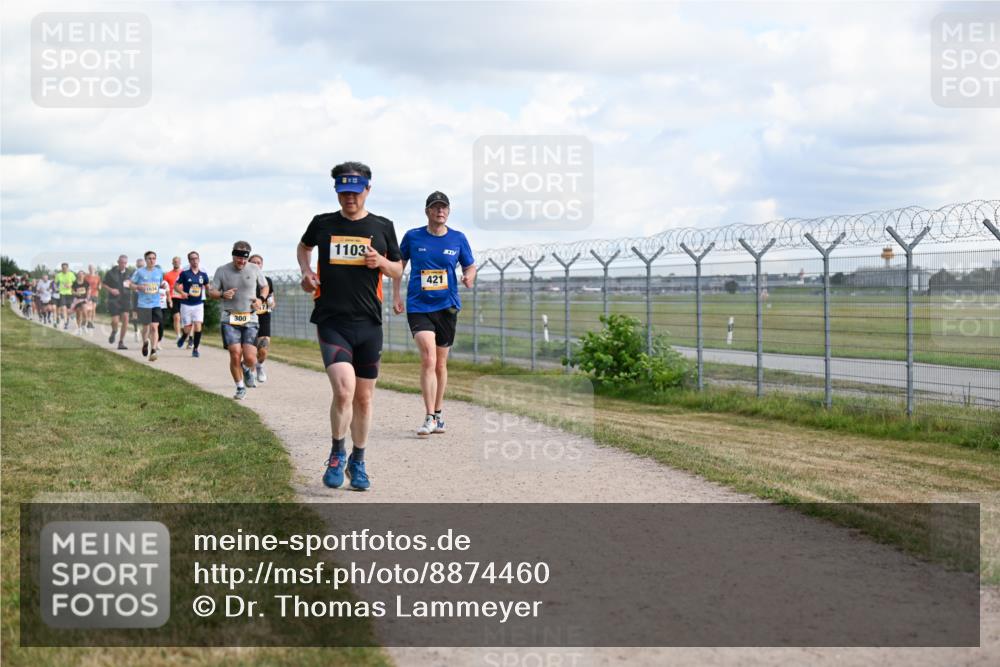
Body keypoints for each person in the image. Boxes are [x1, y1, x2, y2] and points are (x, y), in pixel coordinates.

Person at [297, 161, 402, 491]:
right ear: (337, 192)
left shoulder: (383, 226)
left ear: (368, 190)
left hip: (369, 323)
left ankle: (358, 460)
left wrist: (381, 263)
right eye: (343, 192)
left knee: (364, 399)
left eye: (355, 192)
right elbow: (304, 247)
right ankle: (336, 453)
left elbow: (398, 270)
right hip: (332, 320)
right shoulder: (323, 223)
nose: (349, 198)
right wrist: (307, 272)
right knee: (344, 390)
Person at [393, 191, 476, 436]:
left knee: (440, 363)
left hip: (447, 306)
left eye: (444, 207)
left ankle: (439, 414)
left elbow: (470, 264)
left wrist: (470, 275)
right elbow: (399, 266)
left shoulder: (458, 239)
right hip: (419, 305)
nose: (440, 211)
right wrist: (396, 295)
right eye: (435, 207)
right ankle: (429, 416)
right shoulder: (413, 236)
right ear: (427, 211)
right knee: (428, 358)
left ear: (448, 212)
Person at [209, 241, 268, 399]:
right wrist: (222, 294)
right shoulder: (222, 270)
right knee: (235, 353)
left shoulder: (254, 269)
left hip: (250, 318)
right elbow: (212, 291)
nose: (241, 262)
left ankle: (247, 368)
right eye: (238, 259)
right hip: (230, 318)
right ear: (233, 255)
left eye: (244, 259)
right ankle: (240, 387)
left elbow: (265, 286)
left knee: (250, 358)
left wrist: (261, 299)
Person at [130, 251, 168, 361]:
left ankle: (154, 350)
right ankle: (145, 342)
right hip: (143, 304)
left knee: (154, 327)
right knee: (146, 327)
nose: (152, 260)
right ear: (145, 260)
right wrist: (138, 287)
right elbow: (131, 284)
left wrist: (163, 286)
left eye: (153, 258)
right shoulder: (139, 272)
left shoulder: (159, 272)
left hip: (156, 304)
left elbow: (160, 284)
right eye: (149, 258)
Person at [174, 250, 209, 358]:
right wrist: (182, 293)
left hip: (198, 304)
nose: (195, 261)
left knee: (198, 326)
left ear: (199, 260)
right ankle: (184, 336)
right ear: (189, 261)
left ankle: (195, 349)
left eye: (196, 258)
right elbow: (175, 286)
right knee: (187, 329)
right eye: (192, 259)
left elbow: (208, 287)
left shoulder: (203, 275)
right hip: (186, 304)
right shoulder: (185, 273)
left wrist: (216, 293)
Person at [248, 254, 275, 382]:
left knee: (263, 350)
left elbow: (272, 299)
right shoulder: (245, 280)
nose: (257, 265)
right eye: (254, 262)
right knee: (251, 351)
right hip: (248, 318)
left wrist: (271, 303)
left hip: (264, 317)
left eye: (259, 262)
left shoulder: (268, 281)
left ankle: (260, 366)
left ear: (262, 265)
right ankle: (251, 371)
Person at [103, 255, 133, 350]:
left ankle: (121, 342)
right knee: (115, 321)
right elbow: (103, 284)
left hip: (126, 299)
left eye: (125, 263)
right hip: (114, 300)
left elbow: (133, 284)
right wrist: (111, 290)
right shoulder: (111, 272)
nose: (123, 264)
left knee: (125, 319)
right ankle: (114, 331)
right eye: (121, 262)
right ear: (118, 262)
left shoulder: (129, 273)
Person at [163, 256, 183, 341]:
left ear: (180, 262)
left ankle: (187, 335)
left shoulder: (184, 273)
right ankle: (178, 335)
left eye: (177, 261)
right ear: (172, 263)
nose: (176, 263)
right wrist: (168, 299)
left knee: (185, 318)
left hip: (183, 297)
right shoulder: (168, 275)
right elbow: (164, 288)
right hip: (173, 297)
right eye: (175, 261)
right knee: (176, 317)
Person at [54, 262, 75, 329]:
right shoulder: (58, 275)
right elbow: (55, 283)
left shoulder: (71, 274)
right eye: (63, 268)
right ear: (61, 268)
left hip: (70, 293)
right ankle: (65, 323)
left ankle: (67, 321)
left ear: (68, 268)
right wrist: (56, 288)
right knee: (63, 308)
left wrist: (70, 285)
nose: (64, 269)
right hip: (62, 293)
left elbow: (75, 283)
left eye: (65, 268)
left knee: (68, 310)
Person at [69, 270, 89, 334]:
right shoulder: (75, 283)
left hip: (84, 299)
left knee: (85, 313)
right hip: (77, 300)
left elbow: (88, 290)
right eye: (79, 274)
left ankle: (84, 325)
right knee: (78, 314)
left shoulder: (86, 282)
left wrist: (88, 297)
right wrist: (76, 293)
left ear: (84, 275)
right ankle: (79, 328)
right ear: (77, 275)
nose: (80, 275)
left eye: (82, 274)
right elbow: (72, 291)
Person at [130, 257, 145, 342]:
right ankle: (136, 331)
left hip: (145, 297)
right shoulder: (134, 273)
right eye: (139, 265)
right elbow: (130, 284)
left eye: (142, 265)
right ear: (136, 265)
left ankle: (144, 332)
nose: (140, 267)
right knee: (134, 315)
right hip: (135, 296)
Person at [84, 264, 102, 330]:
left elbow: (100, 284)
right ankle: (88, 322)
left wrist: (99, 286)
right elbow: (84, 285)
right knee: (89, 309)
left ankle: (92, 322)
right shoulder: (86, 277)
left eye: (92, 268)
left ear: (94, 269)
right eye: (90, 268)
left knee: (93, 309)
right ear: (88, 269)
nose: (91, 269)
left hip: (95, 294)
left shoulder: (98, 277)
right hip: (88, 294)